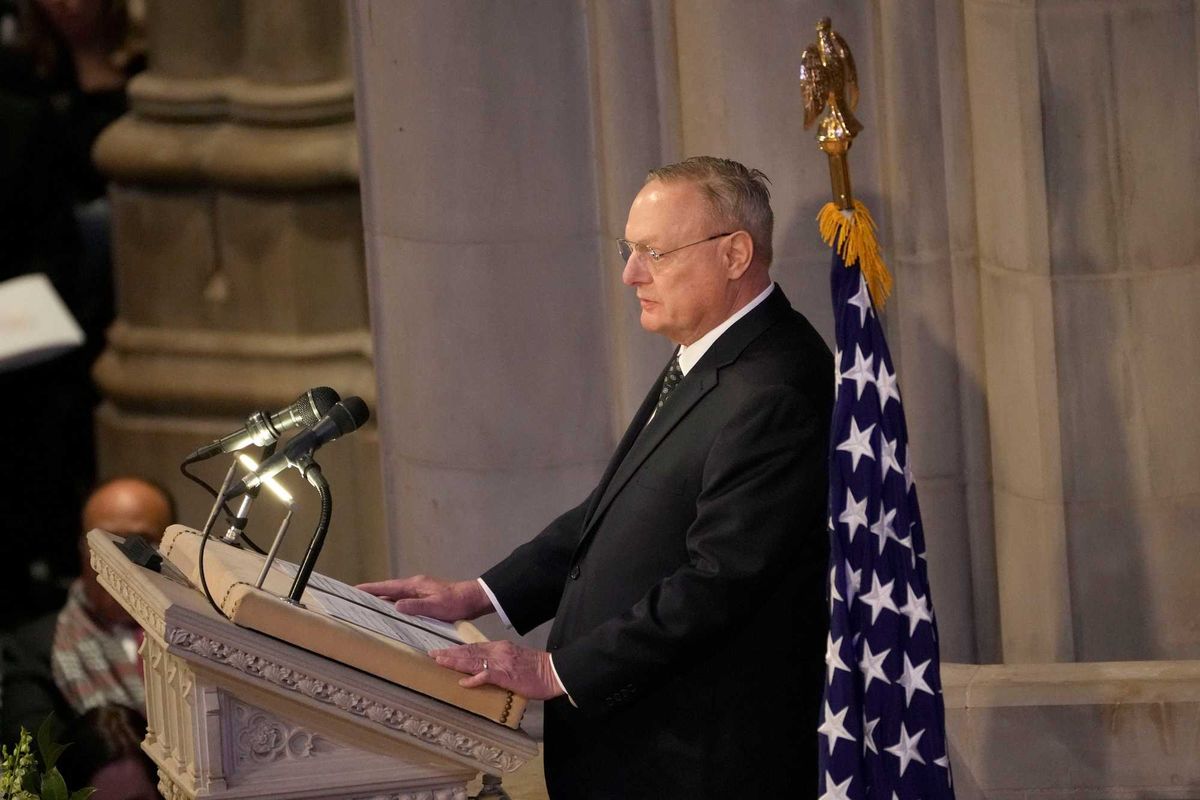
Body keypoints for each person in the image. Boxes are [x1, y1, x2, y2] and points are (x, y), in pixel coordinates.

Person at [360, 157, 832, 798]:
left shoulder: (775, 384)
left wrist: (556, 671)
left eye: (654, 252)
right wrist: (481, 594)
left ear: (735, 254)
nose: (631, 274)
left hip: (697, 760)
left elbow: (721, 583)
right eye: (629, 249)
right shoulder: (713, 352)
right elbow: (614, 509)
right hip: (636, 746)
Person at [0, 476, 174, 747]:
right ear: (82, 548)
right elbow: (32, 758)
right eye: (105, 543)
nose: (122, 560)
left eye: (141, 543)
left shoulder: (204, 639)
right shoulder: (30, 649)